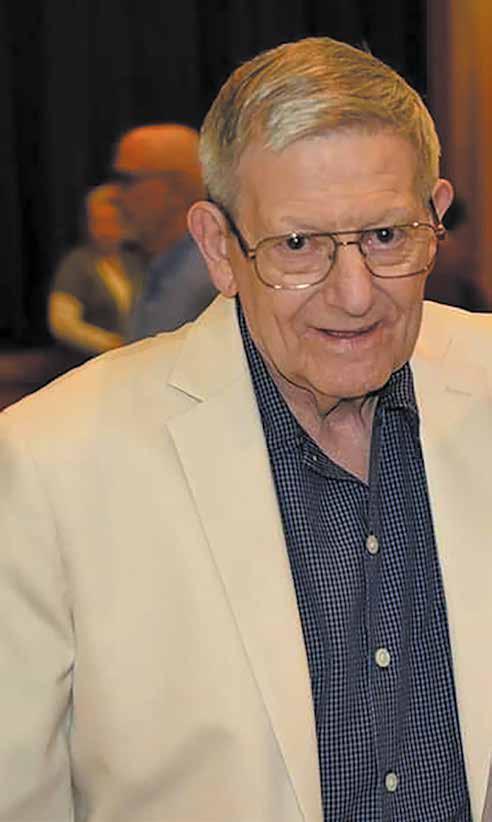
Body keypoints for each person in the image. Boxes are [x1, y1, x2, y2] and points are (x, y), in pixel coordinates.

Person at [0, 37, 490, 822]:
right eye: (298, 245)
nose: (355, 295)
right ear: (218, 249)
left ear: (435, 216)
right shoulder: (51, 462)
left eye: (386, 236)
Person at [111, 123, 217, 339]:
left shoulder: (213, 278)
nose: (115, 196)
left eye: (127, 181)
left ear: (176, 189)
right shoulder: (162, 267)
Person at [48, 183, 144, 356]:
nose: (105, 231)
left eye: (111, 222)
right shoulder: (77, 264)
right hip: (95, 361)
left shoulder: (134, 263)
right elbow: (62, 324)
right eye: (98, 222)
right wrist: (110, 343)